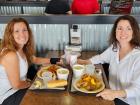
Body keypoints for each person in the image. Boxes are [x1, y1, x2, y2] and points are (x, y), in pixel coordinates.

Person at [77, 15, 140, 105]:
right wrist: (85, 62)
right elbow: (100, 58)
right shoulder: (115, 47)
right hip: (109, 95)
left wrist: (115, 94)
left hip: (128, 102)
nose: (123, 32)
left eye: (128, 29)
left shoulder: (138, 57)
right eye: (119, 28)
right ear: (115, 31)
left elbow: (138, 89)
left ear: (134, 32)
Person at [0, 17, 60, 105]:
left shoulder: (21, 48)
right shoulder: (11, 54)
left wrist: (53, 60)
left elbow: (34, 59)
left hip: (19, 89)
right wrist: (31, 83)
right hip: (8, 95)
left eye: (24, 30)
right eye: (17, 31)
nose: (22, 34)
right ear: (10, 35)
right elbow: (16, 85)